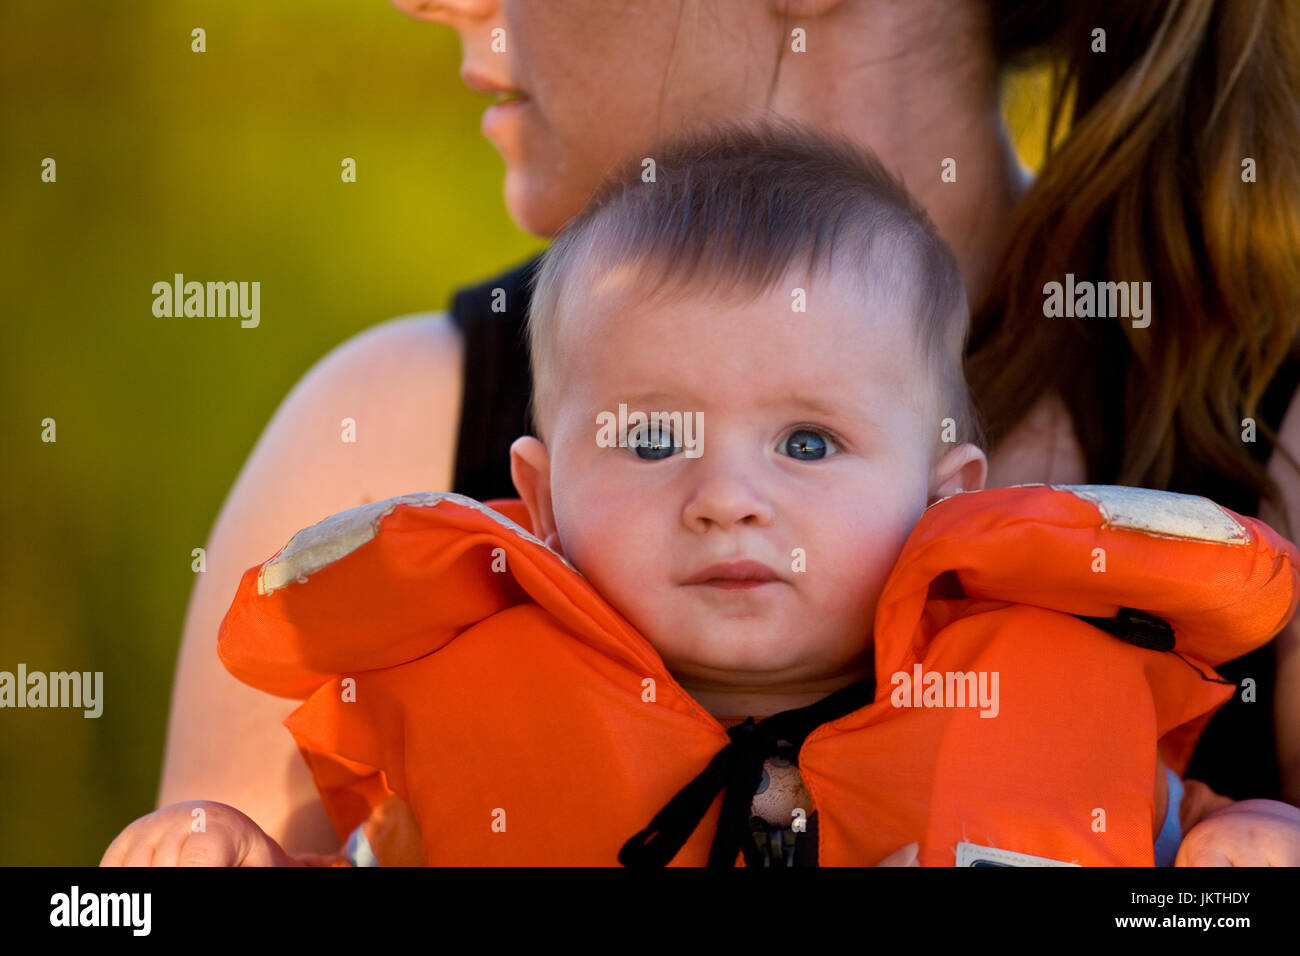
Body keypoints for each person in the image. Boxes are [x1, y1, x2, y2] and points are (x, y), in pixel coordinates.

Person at [154, 0, 1300, 860]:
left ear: (956, 481)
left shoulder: (1274, 437)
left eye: (807, 442)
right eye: (650, 440)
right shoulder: (381, 434)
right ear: (534, 491)